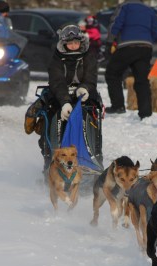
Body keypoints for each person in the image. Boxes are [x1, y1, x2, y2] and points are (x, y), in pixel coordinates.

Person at [25, 24, 99, 170]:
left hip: (84, 96)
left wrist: (85, 88)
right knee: (51, 115)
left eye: (76, 42)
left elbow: (91, 77)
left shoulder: (88, 56)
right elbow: (57, 81)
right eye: (70, 43)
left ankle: (93, 158)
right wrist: (65, 102)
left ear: (81, 42)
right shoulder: (57, 58)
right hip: (59, 96)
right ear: (64, 44)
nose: (73, 46)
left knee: (91, 118)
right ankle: (50, 161)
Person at [104, 0, 157, 120]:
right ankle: (145, 112)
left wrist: (109, 42)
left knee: (112, 73)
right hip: (145, 47)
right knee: (142, 79)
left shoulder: (125, 7)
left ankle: (118, 106)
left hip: (127, 45)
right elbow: (155, 29)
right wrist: (147, 40)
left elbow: (115, 23)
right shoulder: (149, 10)